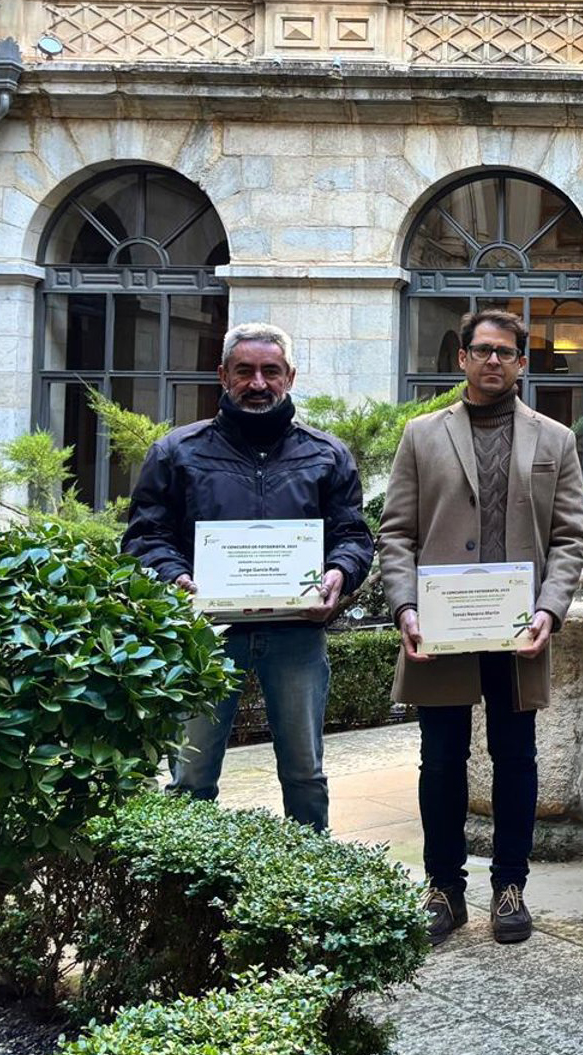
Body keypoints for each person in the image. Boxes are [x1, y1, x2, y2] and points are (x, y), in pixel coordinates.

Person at [379, 308, 583, 946]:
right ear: (462, 359)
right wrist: (404, 606)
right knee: (439, 761)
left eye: (506, 352)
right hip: (440, 629)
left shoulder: (555, 440)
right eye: (482, 350)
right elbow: (397, 534)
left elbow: (570, 539)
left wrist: (551, 610)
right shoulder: (421, 435)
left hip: (518, 630)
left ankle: (510, 887)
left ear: (522, 363)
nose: (494, 361)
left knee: (516, 759)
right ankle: (443, 888)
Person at [124, 321, 372, 834]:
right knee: (191, 774)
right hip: (204, 638)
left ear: (290, 377)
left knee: (305, 774)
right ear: (222, 375)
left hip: (296, 634)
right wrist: (174, 577)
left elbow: (353, 535)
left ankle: (310, 884)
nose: (257, 383)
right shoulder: (178, 452)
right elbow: (145, 537)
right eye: (244, 371)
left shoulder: (327, 454)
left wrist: (338, 574)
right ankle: (183, 898)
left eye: (270, 371)